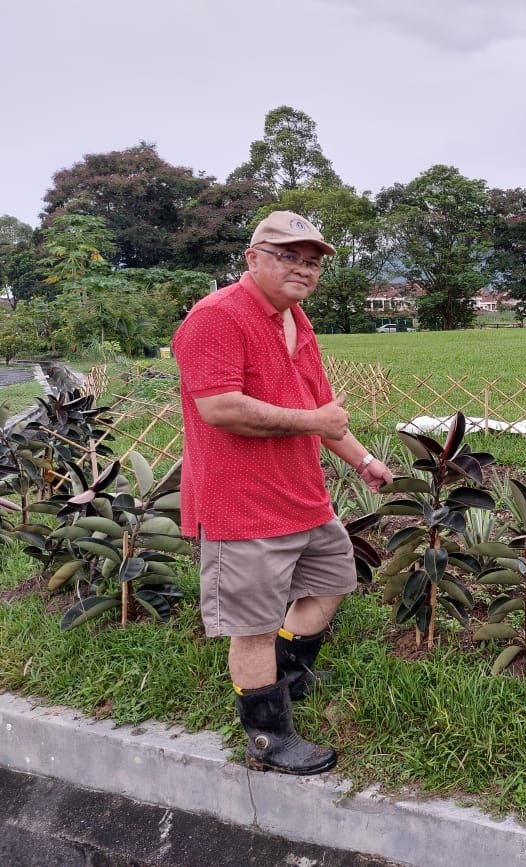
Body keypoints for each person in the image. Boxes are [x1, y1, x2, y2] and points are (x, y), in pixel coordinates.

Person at [172, 211, 392, 775]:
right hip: (241, 506)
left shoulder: (299, 322)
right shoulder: (216, 318)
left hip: (302, 496)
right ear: (252, 258)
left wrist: (363, 459)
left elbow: (325, 414)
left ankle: (288, 675)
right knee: (253, 625)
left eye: (312, 261)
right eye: (288, 255)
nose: (302, 268)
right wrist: (314, 421)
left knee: (335, 579)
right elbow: (220, 409)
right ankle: (268, 738)